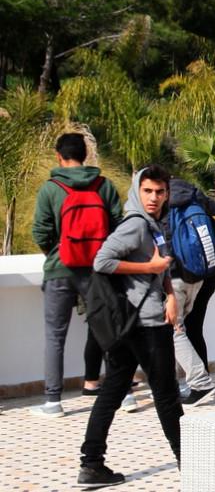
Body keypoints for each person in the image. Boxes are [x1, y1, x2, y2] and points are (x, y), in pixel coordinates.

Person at [78, 166, 182, 487]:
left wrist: (170, 294)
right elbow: (102, 261)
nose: (154, 198)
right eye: (148, 191)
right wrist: (148, 266)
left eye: (160, 192)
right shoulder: (136, 224)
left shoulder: (153, 224)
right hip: (145, 325)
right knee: (166, 395)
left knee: (111, 391)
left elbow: (160, 268)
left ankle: (91, 464)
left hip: (133, 323)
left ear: (167, 193)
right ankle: (190, 461)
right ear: (137, 190)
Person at [30, 133, 128, 417]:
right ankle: (124, 394)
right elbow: (118, 226)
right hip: (98, 269)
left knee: (55, 335)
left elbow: (41, 231)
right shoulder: (104, 185)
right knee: (110, 330)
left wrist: (57, 252)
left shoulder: (51, 188)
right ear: (86, 155)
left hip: (60, 269)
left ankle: (53, 401)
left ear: (58, 156)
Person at [164, 177, 215, 406]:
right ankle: (197, 381)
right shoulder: (193, 193)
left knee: (174, 331)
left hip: (176, 277)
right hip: (201, 275)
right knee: (192, 328)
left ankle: (199, 383)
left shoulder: (162, 201)